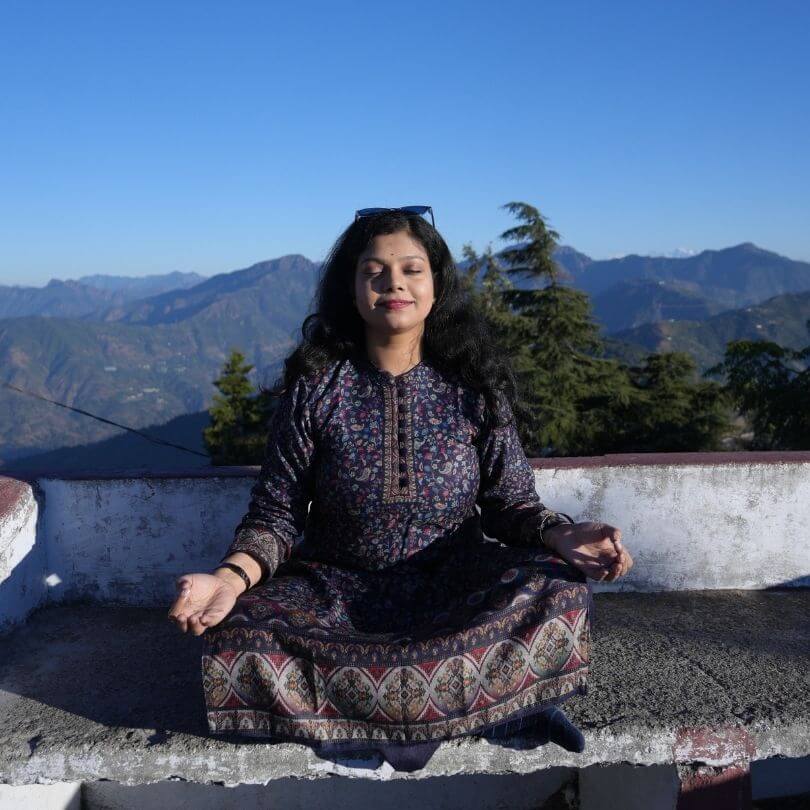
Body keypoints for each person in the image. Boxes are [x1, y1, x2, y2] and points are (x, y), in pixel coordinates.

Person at [167, 206, 634, 772]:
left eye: (412, 269)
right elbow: (276, 517)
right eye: (375, 272)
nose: (394, 284)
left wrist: (562, 535)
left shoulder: (474, 389)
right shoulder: (316, 390)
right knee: (241, 633)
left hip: (457, 584)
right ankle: (499, 710)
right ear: (352, 289)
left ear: (436, 286)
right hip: (334, 591)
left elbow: (510, 504)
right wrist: (227, 579)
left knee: (557, 593)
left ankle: (358, 721)